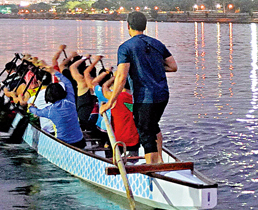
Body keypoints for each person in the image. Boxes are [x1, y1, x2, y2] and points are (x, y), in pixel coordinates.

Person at [101, 11, 177, 164]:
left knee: (145, 132)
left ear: (128, 26)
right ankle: (159, 161)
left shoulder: (126, 48)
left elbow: (121, 78)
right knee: (152, 126)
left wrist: (110, 103)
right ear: (145, 26)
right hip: (162, 95)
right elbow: (173, 66)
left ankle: (152, 168)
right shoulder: (157, 44)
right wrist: (153, 68)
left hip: (145, 97)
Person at [28, 82, 85, 148]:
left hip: (63, 143)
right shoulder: (71, 103)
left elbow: (36, 112)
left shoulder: (50, 110)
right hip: (80, 141)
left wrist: (30, 107)